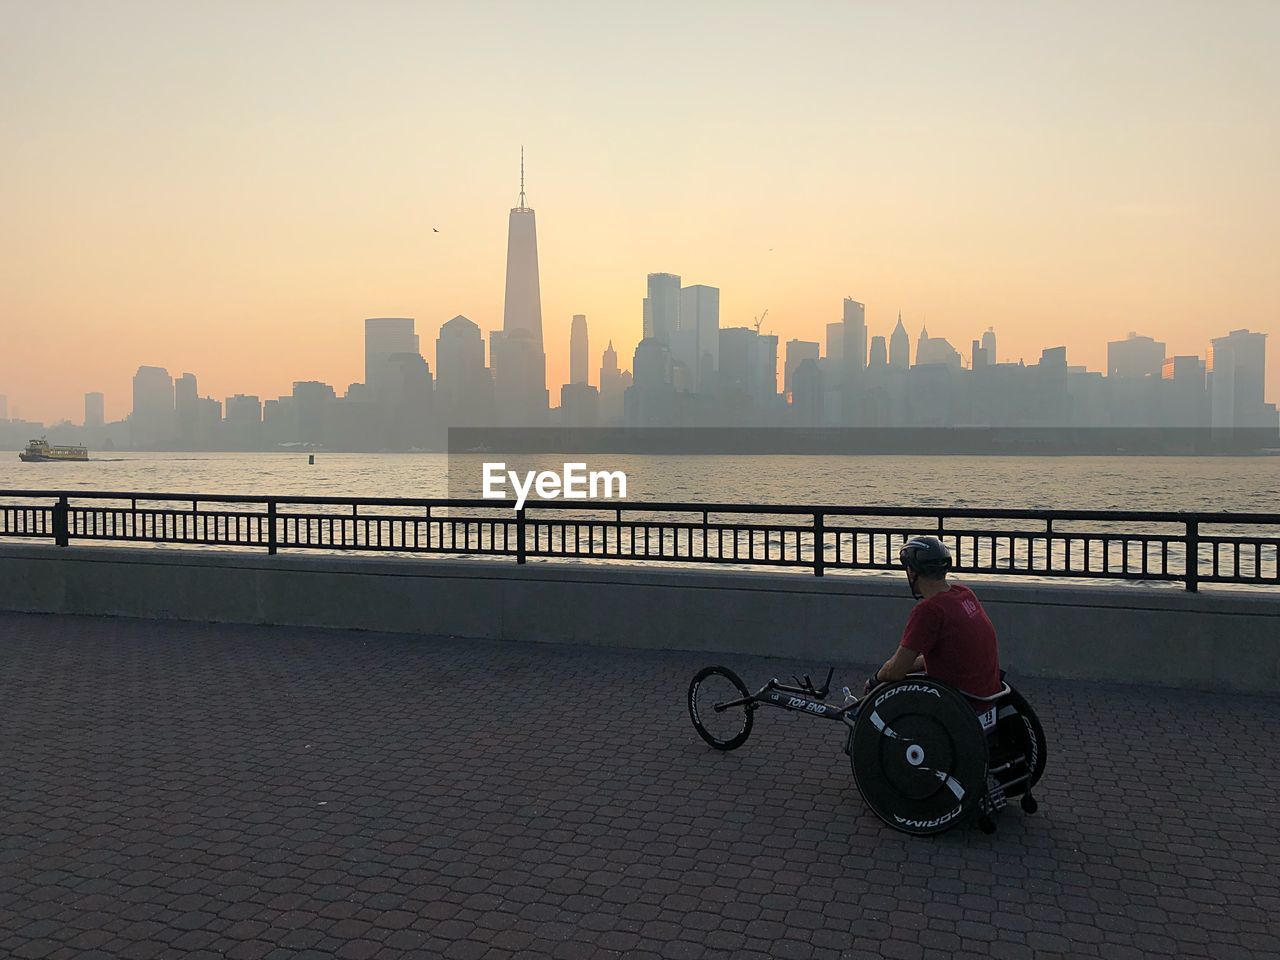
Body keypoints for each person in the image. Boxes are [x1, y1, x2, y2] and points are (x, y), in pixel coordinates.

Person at [863, 536, 1002, 698]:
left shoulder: (930, 610)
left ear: (912, 572)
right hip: (989, 697)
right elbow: (945, 656)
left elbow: (895, 672)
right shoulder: (965, 594)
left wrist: (875, 679)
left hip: (959, 703)